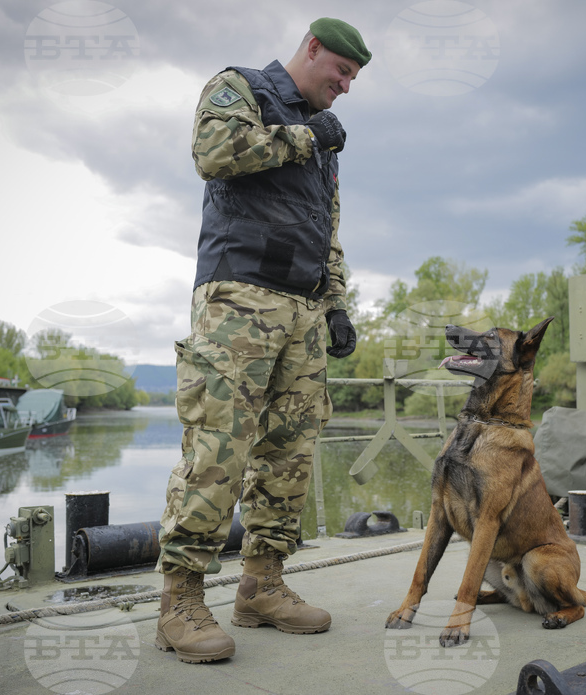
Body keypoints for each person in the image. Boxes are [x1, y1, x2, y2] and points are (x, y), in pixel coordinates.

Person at [154, 18, 370, 664]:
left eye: (354, 79)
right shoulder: (241, 89)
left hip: (302, 311)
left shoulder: (323, 144)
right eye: (342, 71)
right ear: (312, 49)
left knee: (289, 451)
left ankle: (262, 583)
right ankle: (180, 601)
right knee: (218, 443)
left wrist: (334, 303)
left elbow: (326, 228)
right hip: (238, 298)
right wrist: (305, 138)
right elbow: (213, 152)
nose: (346, 87)